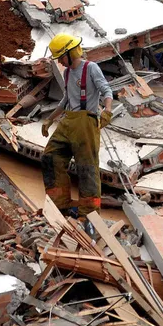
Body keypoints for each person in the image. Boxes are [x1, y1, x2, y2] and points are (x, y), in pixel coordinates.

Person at [40, 34, 113, 219]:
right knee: (51, 156)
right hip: (68, 121)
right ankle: (59, 204)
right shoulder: (67, 73)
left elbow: (106, 90)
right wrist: (50, 119)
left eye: (61, 58)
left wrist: (107, 111)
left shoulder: (91, 68)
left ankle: (88, 213)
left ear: (71, 53)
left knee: (87, 168)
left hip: (86, 122)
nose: (61, 63)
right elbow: (66, 99)